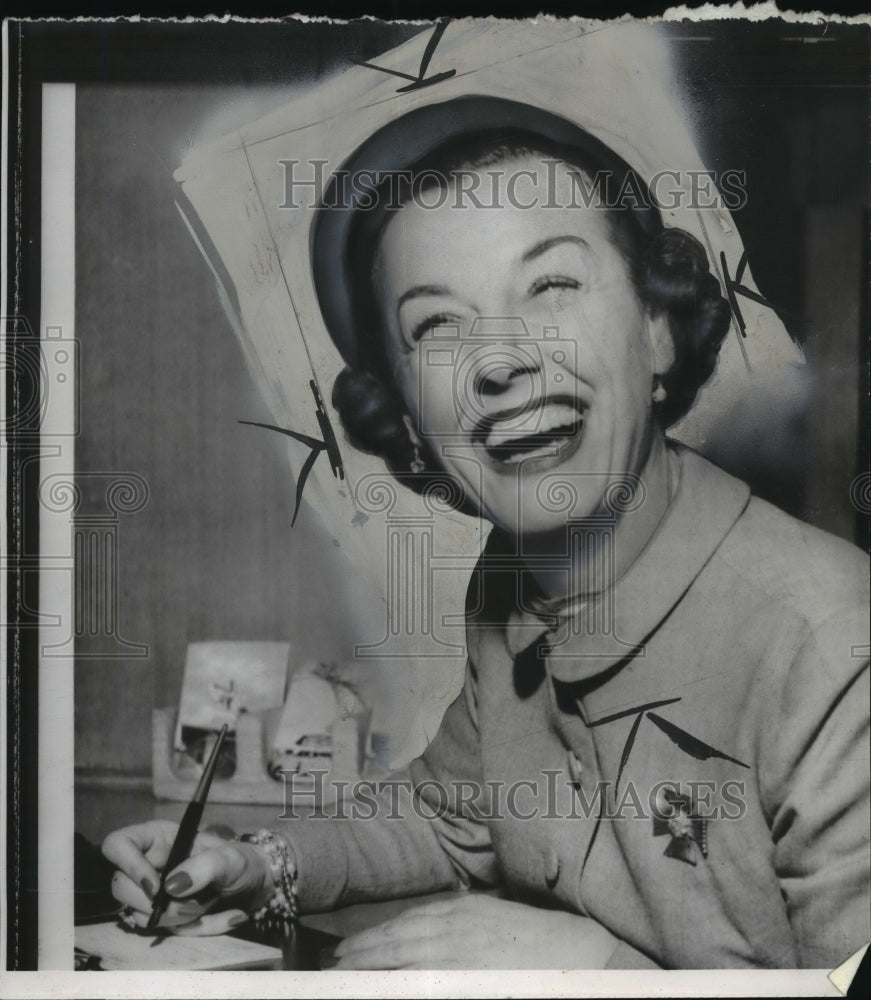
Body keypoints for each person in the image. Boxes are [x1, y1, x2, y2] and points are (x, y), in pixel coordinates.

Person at [102, 97, 870, 970]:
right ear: (405, 414)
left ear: (657, 329)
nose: (496, 361)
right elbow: (448, 812)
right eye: (437, 325)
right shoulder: (509, 586)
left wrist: (595, 975)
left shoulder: (831, 644)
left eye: (550, 285)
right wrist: (250, 866)